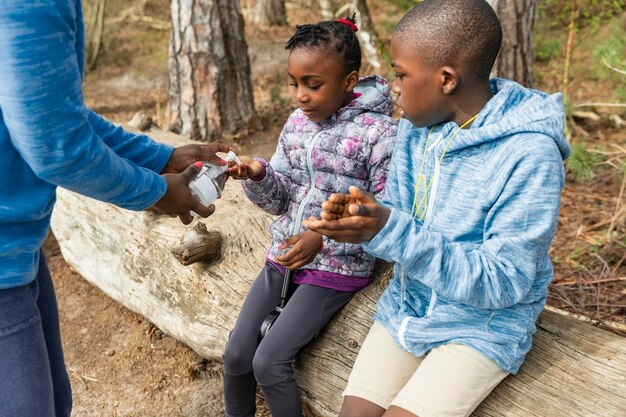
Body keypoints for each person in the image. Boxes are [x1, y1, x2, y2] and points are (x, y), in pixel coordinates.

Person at [305, 1, 571, 416]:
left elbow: (505, 282)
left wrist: (391, 229)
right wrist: (365, 224)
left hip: (481, 327)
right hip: (407, 307)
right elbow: (396, 225)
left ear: (446, 79)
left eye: (400, 74)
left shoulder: (529, 155)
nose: (392, 87)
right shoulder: (417, 128)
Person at [0, 2, 234, 416]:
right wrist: (158, 191)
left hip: (16, 247)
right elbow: (57, 146)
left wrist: (159, 158)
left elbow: (54, 111)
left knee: (55, 400)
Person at [222, 15, 397, 417]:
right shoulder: (297, 125)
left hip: (337, 267)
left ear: (349, 81)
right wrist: (258, 174)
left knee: (269, 363)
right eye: (294, 83)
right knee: (235, 355)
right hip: (284, 257)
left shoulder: (381, 134)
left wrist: (324, 238)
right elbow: (279, 198)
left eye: (313, 85)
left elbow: (382, 215)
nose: (300, 96)